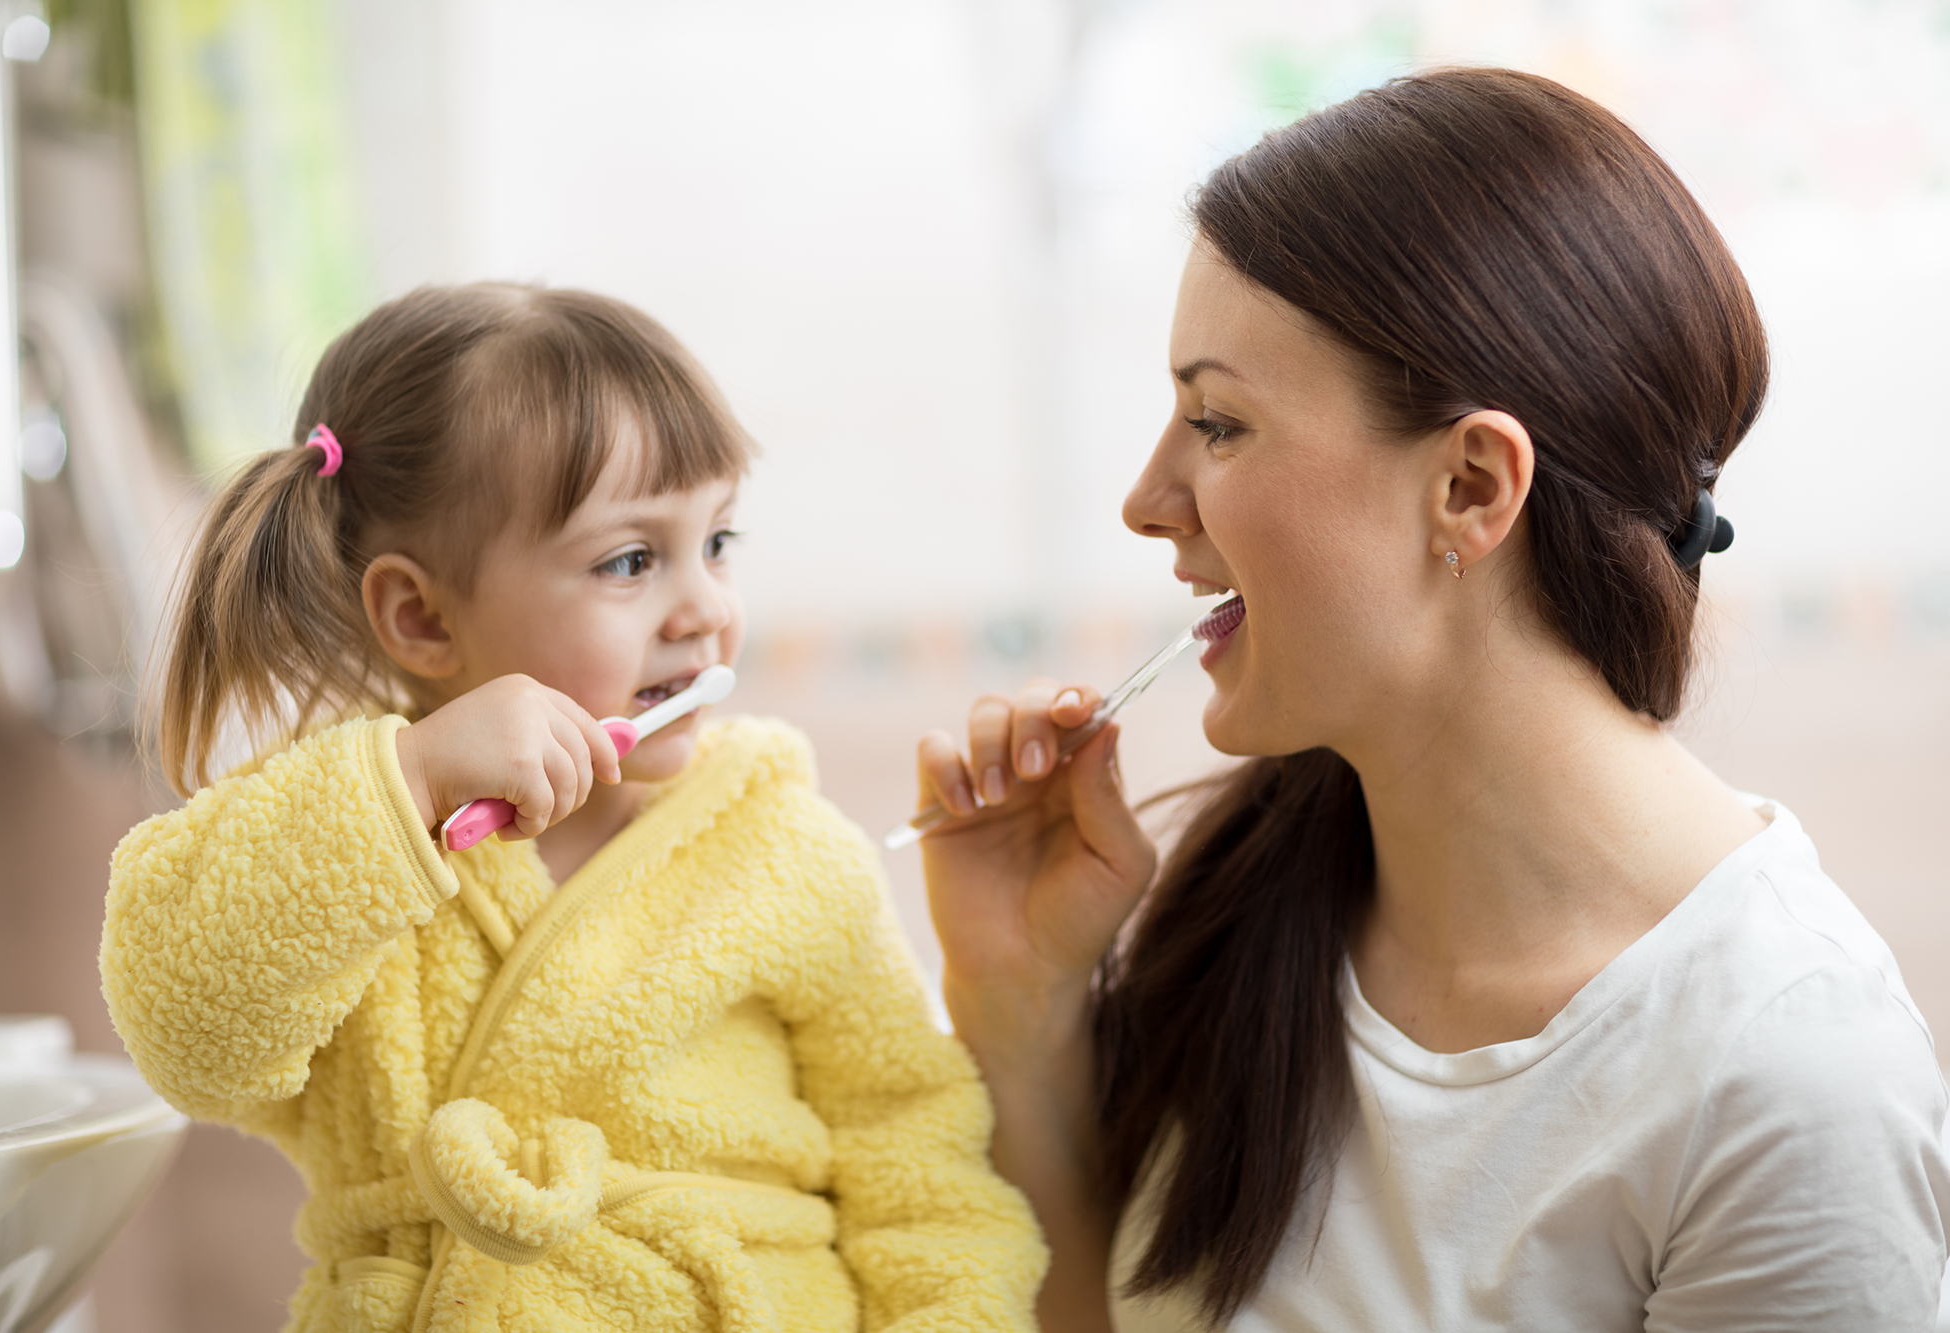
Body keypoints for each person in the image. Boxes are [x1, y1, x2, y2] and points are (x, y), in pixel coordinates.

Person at [913, 69, 1948, 1331]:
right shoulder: (1247, 895)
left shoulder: (1785, 1076)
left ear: (1468, 486)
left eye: (1217, 422)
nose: (1146, 497)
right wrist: (1019, 1004)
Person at [101, 284, 1045, 1333]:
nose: (705, 609)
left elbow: (918, 1162)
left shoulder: (783, 850)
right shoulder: (337, 839)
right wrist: (404, 784)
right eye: (631, 560)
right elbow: (188, 1035)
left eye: (718, 542)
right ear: (420, 616)